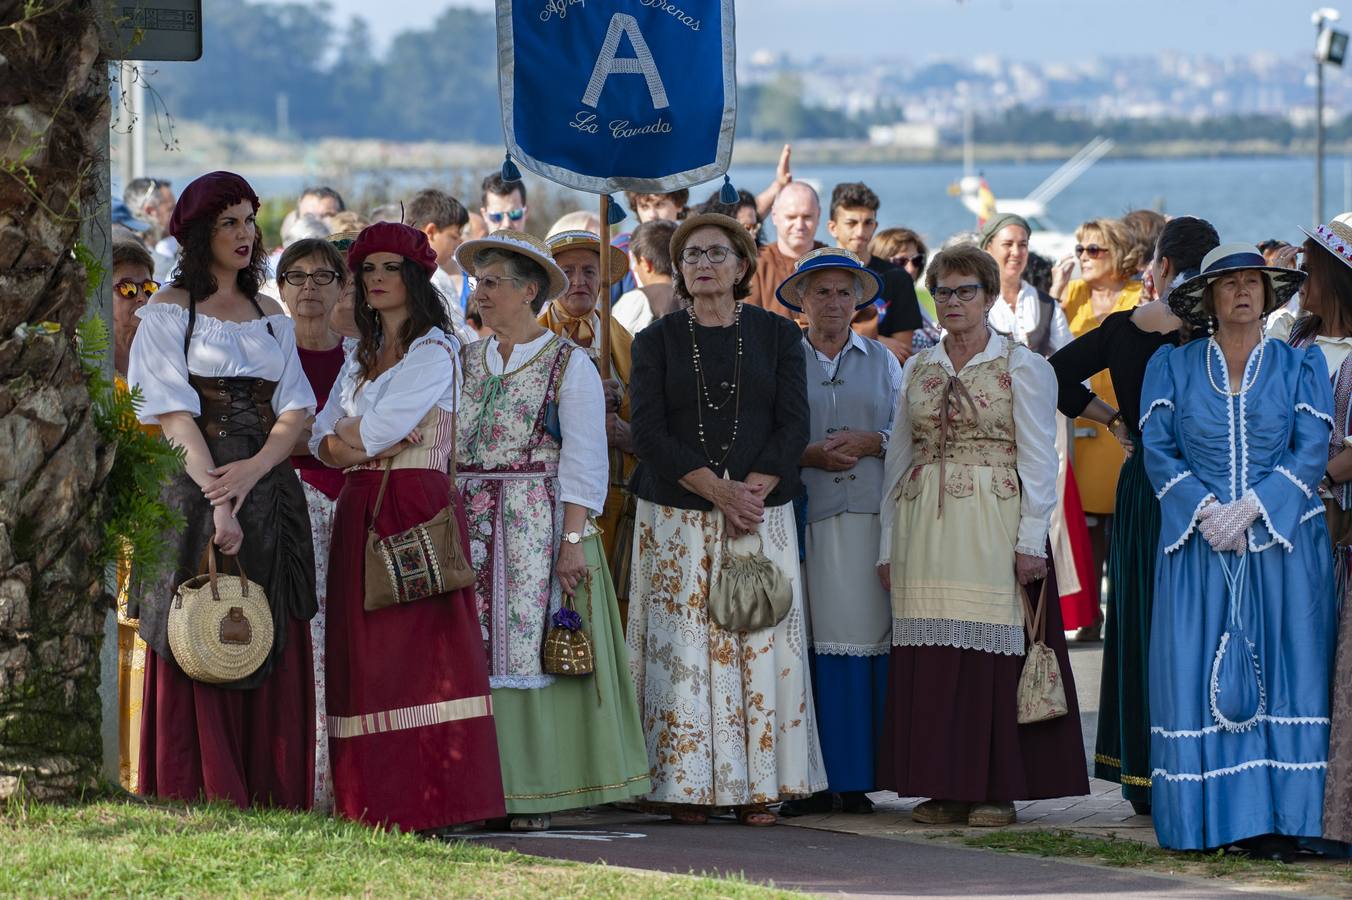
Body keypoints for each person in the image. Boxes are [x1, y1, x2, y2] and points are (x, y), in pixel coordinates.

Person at [876, 243, 1088, 828]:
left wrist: (1029, 541)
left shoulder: (1023, 366)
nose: (952, 301)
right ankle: (942, 785)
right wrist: (887, 543)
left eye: (966, 290)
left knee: (993, 656)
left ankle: (994, 787)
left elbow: (1040, 461)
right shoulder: (919, 366)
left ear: (991, 297)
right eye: (943, 291)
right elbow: (898, 457)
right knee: (934, 654)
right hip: (924, 524)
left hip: (993, 522)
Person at [627, 212, 826, 827]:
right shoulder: (655, 340)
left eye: (717, 253)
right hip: (677, 517)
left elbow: (795, 423)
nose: (704, 264)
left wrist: (750, 493)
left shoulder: (777, 334)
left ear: (743, 266)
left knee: (758, 644)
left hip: (759, 514)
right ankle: (684, 783)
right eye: (691, 256)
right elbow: (648, 430)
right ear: (680, 271)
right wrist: (718, 491)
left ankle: (764, 785)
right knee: (683, 653)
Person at [127, 171, 318, 809]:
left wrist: (256, 469)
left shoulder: (271, 314)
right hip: (190, 487)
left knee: (264, 621)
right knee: (197, 619)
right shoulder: (167, 311)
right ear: (199, 233)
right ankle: (200, 782)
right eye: (228, 221)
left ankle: (270, 783)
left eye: (248, 219)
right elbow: (174, 414)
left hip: (266, 489)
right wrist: (217, 496)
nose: (243, 234)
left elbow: (295, 409)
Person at [311, 222, 505, 832]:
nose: (375, 279)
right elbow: (322, 438)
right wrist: (359, 442)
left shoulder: (436, 351)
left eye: (389, 268)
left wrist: (359, 440)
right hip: (359, 506)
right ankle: (372, 799)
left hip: (415, 503)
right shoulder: (359, 357)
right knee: (364, 656)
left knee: (423, 652)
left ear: (415, 277)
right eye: (367, 269)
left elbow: (364, 434)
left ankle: (439, 801)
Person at [454, 229, 650, 831]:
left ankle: (537, 790)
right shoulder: (466, 357)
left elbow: (587, 458)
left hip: (537, 521)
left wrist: (571, 542)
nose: (480, 293)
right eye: (479, 282)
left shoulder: (569, 364)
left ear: (528, 291)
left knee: (533, 647)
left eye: (493, 283)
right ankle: (476, 784)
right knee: (474, 651)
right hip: (471, 517)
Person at [1141, 244, 1332, 856]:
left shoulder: (1298, 368)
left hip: (1282, 549)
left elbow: (1310, 450)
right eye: (1230, 285)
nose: (1244, 293)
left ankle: (1286, 821)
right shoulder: (1171, 368)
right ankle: (1213, 822)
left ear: (1269, 294)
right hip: (1199, 549)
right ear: (1208, 299)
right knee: (1197, 674)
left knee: (1288, 669)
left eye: (1254, 283)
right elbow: (1158, 449)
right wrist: (1205, 511)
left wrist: (1252, 508)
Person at [1049, 215, 1219, 815]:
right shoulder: (1219, 331)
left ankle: (1143, 768)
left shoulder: (1124, 328)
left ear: (1163, 267)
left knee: (1146, 616)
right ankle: (1205, 759)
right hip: (1214, 482)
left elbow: (1053, 375)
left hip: (1147, 480)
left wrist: (1110, 417)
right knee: (1209, 619)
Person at [775, 249, 899, 818]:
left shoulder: (885, 361)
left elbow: (910, 432)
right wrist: (805, 453)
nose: (833, 302)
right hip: (796, 516)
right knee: (798, 641)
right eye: (820, 291)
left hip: (865, 518)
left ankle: (852, 776)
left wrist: (874, 441)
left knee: (859, 636)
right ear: (800, 300)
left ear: (859, 300)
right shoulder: (780, 361)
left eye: (844, 292)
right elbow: (758, 434)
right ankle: (803, 778)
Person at [978, 213, 1095, 637]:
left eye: (1022, 244)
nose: (1015, 252)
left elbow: (1069, 367)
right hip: (989, 421)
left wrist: (1040, 372)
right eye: (1007, 243)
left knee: (1048, 507)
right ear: (988, 246)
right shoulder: (976, 303)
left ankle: (1055, 606)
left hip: (1042, 420)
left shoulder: (1045, 304)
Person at [1277, 218, 1352, 844]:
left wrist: (1317, 477)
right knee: (1299, 659)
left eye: (1310, 264)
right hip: (1292, 517)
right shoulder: (1294, 340)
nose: (1299, 275)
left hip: (1335, 518)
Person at [275, 236, 350, 814]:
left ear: (344, 287)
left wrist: (307, 441)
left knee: (346, 648)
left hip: (351, 511)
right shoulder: (266, 350)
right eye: (296, 277)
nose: (309, 289)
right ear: (279, 289)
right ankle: (295, 780)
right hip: (283, 513)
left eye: (323, 277)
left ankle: (343, 783)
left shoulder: (362, 356)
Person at [540, 231, 638, 623]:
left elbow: (646, 417)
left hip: (615, 492)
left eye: (588, 271)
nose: (578, 281)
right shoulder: (533, 337)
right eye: (567, 272)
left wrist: (624, 417)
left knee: (611, 603)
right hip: (553, 497)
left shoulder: (625, 341)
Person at [1053, 218, 1144, 640]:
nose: (1084, 257)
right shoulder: (1070, 295)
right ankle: (1089, 615)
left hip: (1125, 423)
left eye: (1095, 250)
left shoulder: (1136, 296)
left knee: (1122, 526)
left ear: (1119, 253)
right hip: (1086, 425)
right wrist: (1054, 292)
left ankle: (1125, 610)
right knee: (1084, 526)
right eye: (1080, 249)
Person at [110, 238, 159, 792]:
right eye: (127, 288)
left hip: (157, 536)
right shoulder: (87, 378)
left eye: (149, 287)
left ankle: (143, 775)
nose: (142, 300)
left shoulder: (168, 367)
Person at [825, 182, 922, 363]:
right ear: (833, 228)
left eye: (868, 223)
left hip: (882, 383)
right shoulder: (816, 276)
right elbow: (810, 338)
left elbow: (901, 352)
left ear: (875, 225)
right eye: (851, 223)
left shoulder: (897, 278)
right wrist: (875, 339)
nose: (860, 231)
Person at [403, 188, 476, 344]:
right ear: (431, 232)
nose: (458, 243)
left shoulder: (394, 267)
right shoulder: (434, 278)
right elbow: (458, 335)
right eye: (454, 236)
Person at [747, 182, 825, 321]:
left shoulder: (834, 263)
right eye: (791, 217)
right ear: (774, 216)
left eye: (807, 217)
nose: (799, 225)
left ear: (818, 215)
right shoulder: (755, 265)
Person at [872, 227, 939, 352]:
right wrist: (876, 340)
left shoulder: (915, 302)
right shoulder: (869, 301)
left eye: (916, 261)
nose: (911, 268)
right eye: (901, 261)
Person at [613, 219, 679, 334]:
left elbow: (620, 344)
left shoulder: (636, 299)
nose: (634, 268)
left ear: (645, 263)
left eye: (634, 263)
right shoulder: (694, 296)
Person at [124, 176, 178, 278]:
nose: (179, 214)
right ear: (150, 211)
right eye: (171, 209)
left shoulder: (125, 249)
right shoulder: (154, 264)